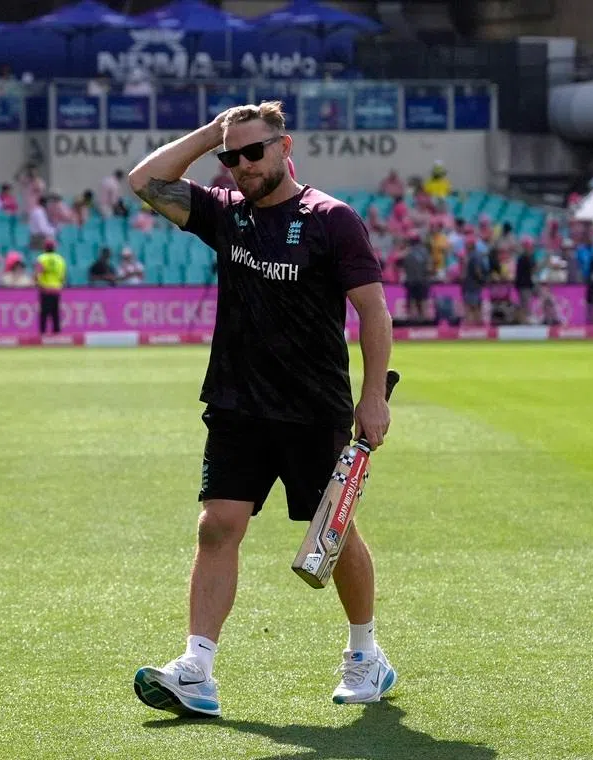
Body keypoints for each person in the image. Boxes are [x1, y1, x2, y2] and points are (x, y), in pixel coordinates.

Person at [128, 101, 394, 718]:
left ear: (285, 146)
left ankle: (366, 654)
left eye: (254, 152)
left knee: (332, 533)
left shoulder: (332, 220)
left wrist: (373, 396)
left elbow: (373, 312)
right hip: (236, 404)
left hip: (312, 409)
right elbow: (144, 182)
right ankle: (196, 668)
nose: (242, 165)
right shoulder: (224, 214)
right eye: (232, 156)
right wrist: (210, 134)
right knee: (217, 525)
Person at [35, 239, 66, 334]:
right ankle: (57, 333)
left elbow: (38, 274)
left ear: (45, 247)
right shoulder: (60, 259)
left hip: (45, 289)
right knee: (55, 313)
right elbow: (62, 276)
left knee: (44, 313)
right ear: (54, 247)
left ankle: (42, 333)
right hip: (56, 289)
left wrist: (38, 283)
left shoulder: (41, 258)